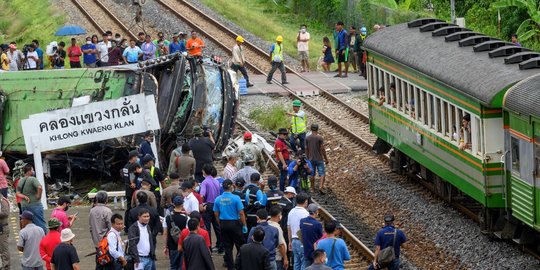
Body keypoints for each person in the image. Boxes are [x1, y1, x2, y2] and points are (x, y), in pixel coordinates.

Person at [213, 179, 247, 270]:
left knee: (227, 247)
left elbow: (216, 213)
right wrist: (244, 225)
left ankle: (230, 267)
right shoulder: (236, 198)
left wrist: (219, 222)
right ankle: (239, 264)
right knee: (240, 245)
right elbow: (241, 213)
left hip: (223, 223)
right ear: (232, 186)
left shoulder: (218, 199)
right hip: (234, 223)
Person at [16, 164, 47, 233]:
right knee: (40, 222)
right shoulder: (33, 179)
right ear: (29, 171)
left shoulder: (20, 180)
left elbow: (17, 193)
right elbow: (39, 187)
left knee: (27, 224)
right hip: (35, 204)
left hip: (24, 206)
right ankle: (44, 239)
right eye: (32, 170)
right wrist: (39, 196)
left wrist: (24, 196)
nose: (33, 171)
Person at [199, 164, 222, 253]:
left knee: (207, 227)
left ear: (204, 171)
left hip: (208, 205)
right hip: (216, 205)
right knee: (217, 227)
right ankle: (220, 246)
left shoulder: (205, 182)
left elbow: (202, 195)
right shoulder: (216, 181)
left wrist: (202, 204)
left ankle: (208, 247)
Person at [163, 196, 188, 270]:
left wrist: (165, 246)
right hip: (183, 246)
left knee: (173, 265)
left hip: (172, 246)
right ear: (182, 204)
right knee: (182, 266)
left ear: (173, 204)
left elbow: (165, 233)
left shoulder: (167, 218)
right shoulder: (186, 218)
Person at [288, 193, 309, 270]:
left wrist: (289, 241)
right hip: (302, 241)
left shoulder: (291, 212)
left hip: (294, 240)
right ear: (305, 201)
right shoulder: (306, 213)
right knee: (304, 262)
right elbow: (307, 229)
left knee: (296, 262)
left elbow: (289, 227)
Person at [305, 124, 328, 193]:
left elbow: (306, 148)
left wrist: (307, 158)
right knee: (322, 173)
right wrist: (326, 158)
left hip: (311, 159)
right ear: (317, 129)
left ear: (311, 129)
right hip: (319, 158)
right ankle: (320, 186)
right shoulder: (319, 138)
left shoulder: (307, 138)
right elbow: (322, 149)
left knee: (312, 174)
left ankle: (312, 189)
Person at [268, 206, 288, 270]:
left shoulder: (267, 224)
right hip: (277, 258)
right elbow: (281, 245)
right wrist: (285, 258)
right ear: (279, 216)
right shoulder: (277, 228)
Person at [0, 192, 10, 270]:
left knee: (4, 249)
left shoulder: (3, 201)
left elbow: (6, 213)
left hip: (3, 228)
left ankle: (6, 266)